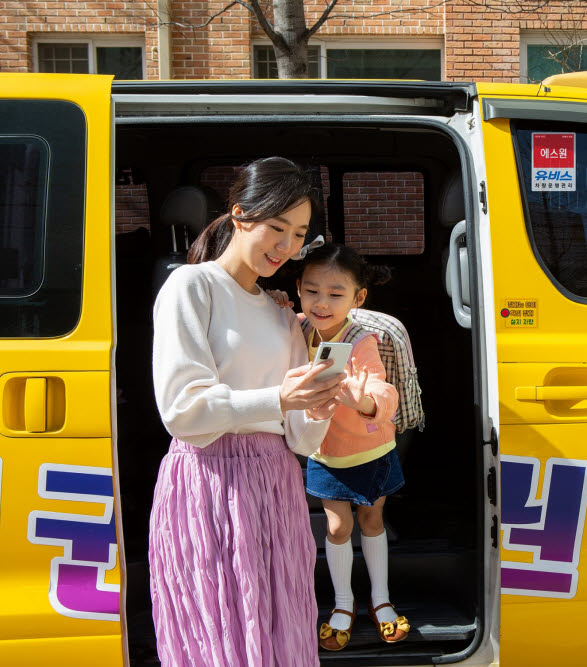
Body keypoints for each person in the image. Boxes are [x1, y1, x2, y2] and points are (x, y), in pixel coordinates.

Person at [149, 157, 343, 667]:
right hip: (210, 483)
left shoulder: (282, 313)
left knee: (279, 635)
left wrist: (320, 400)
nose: (287, 246)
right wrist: (279, 398)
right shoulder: (191, 288)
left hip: (276, 485)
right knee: (220, 638)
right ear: (240, 215)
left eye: (299, 234)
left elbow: (300, 438)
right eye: (276, 228)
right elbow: (182, 411)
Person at [269, 242, 408, 651]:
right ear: (297, 289)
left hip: (371, 452)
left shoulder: (361, 339)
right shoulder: (295, 326)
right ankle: (343, 602)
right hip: (324, 454)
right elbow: (266, 318)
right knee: (336, 527)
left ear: (358, 297)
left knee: (372, 522)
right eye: (312, 291)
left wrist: (361, 399)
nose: (322, 303)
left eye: (335, 294)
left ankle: (380, 599)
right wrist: (272, 301)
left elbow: (382, 391)